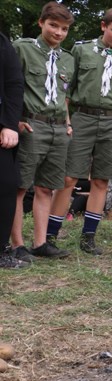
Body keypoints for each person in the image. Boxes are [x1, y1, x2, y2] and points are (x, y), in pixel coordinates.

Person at [48, 8, 112, 255]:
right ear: (103, 26)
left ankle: (89, 237)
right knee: (69, 178)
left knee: (101, 180)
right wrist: (67, 121)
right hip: (82, 117)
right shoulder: (81, 50)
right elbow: (66, 88)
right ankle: (50, 235)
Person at [11, 2, 75, 261]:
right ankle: (17, 244)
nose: (58, 33)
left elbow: (64, 95)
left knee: (46, 187)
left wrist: (68, 123)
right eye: (53, 26)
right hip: (31, 124)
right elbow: (10, 87)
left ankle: (40, 243)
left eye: (64, 29)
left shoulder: (67, 59)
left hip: (59, 128)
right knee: (20, 186)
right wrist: (12, 121)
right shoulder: (22, 49)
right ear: (41, 23)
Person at [0, 31, 28, 269]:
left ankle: (0, 250)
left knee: (7, 184)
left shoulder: (2, 43)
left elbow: (13, 84)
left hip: (1, 127)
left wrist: (9, 124)